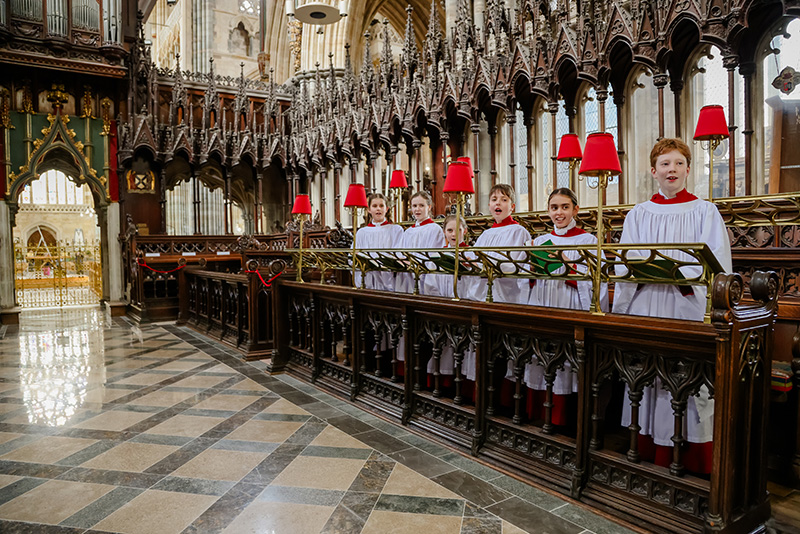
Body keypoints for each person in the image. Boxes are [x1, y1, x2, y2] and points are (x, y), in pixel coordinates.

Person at [614, 138, 732, 474]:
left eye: (679, 163)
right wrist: (624, 303)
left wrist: (686, 277)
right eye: (665, 164)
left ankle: (692, 455)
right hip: (648, 302)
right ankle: (648, 446)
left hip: (686, 305)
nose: (672, 170)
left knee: (689, 380)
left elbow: (718, 263)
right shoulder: (639, 213)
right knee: (649, 378)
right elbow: (627, 260)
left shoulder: (704, 211)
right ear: (653, 171)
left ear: (688, 170)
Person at [524, 188, 608, 425]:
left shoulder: (588, 240)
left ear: (575, 210)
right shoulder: (539, 241)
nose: (559, 213)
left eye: (564, 207)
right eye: (554, 207)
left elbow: (595, 279)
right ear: (548, 211)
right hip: (544, 301)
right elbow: (531, 280)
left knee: (566, 362)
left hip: (569, 302)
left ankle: (565, 419)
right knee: (542, 358)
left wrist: (567, 261)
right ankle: (539, 415)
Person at [463, 184, 532, 304]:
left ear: (512, 207)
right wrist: (468, 262)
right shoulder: (486, 234)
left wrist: (480, 265)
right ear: (489, 206)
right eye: (494, 199)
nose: (498, 203)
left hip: (505, 296)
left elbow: (516, 265)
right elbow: (474, 257)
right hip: (481, 295)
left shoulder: (518, 231)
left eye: (504, 200)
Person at [396, 191, 446, 294]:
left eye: (421, 205)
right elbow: (400, 253)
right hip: (408, 277)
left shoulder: (434, 229)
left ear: (429, 207)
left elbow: (434, 257)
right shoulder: (408, 231)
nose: (417, 209)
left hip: (426, 278)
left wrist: (415, 264)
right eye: (414, 206)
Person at [354, 193, 403, 291]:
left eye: (381, 206)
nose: (378, 209)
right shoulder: (362, 232)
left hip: (388, 279)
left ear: (387, 208)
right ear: (368, 209)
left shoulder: (396, 230)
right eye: (374, 206)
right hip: (367, 278)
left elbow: (400, 253)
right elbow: (354, 257)